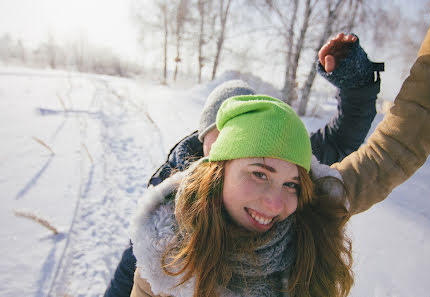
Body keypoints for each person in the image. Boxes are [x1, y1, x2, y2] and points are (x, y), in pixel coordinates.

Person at [129, 5, 430, 297]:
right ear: (216, 164)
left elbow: (392, 148)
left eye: (291, 183)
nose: (276, 203)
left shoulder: (308, 207)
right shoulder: (164, 249)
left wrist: (360, 85)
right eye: (258, 173)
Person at [104, 33, 383, 297]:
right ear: (203, 138)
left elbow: (340, 138)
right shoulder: (167, 199)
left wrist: (355, 84)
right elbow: (134, 266)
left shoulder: (279, 157)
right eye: (218, 136)